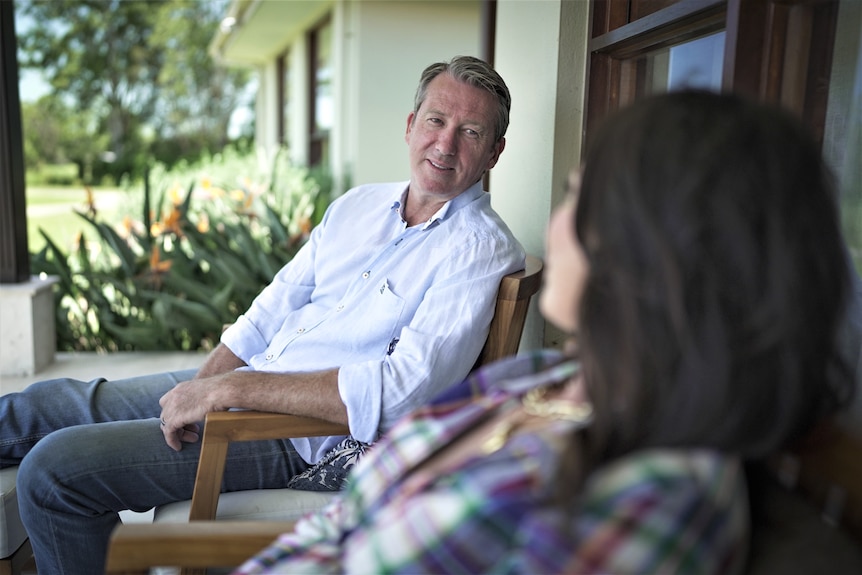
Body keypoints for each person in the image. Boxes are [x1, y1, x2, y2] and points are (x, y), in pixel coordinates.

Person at [233, 90, 859, 575]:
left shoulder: (649, 496)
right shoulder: (546, 376)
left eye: (578, 200)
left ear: (659, 255)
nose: (555, 225)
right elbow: (345, 521)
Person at [0, 55, 525, 575]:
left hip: (295, 435)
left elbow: (404, 392)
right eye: (435, 120)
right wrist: (211, 378)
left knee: (53, 473)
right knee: (48, 407)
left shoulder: (478, 249)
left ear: (494, 152)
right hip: (254, 382)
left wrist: (230, 393)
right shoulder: (359, 205)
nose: (445, 143)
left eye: (471, 131)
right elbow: (278, 300)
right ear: (411, 125)